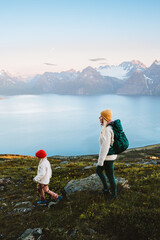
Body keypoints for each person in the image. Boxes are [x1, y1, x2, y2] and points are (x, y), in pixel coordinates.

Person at [96, 109, 117, 198]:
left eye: (101, 116)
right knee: (106, 174)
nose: (99, 117)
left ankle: (113, 194)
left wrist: (100, 162)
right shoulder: (108, 127)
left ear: (104, 118)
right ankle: (107, 190)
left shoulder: (107, 129)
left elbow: (105, 147)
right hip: (110, 156)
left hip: (108, 158)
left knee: (109, 175)